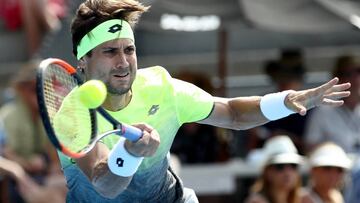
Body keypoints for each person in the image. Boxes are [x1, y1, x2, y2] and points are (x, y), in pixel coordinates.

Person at [59, 0, 351, 202]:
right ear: (83, 61)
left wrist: (286, 101)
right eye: (110, 52)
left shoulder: (161, 87)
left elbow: (234, 113)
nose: (123, 62)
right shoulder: (73, 114)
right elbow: (105, 185)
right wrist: (131, 154)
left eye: (129, 50)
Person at [0, 59, 66, 202]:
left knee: (69, 187)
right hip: (15, 181)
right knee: (55, 198)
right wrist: (27, 163)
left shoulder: (48, 115)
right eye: (33, 89)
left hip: (39, 176)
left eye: (45, 88)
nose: (40, 93)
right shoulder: (9, 116)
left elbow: (52, 151)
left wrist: (53, 167)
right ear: (21, 90)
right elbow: (6, 153)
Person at [246, 49, 309, 155]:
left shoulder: (310, 106)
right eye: (282, 77)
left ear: (299, 81)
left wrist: (286, 137)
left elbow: (311, 143)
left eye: (290, 78)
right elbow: (252, 142)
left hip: (299, 157)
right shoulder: (264, 101)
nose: (284, 82)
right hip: (265, 156)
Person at [304, 55, 360, 153]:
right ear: (337, 78)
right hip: (337, 165)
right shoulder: (324, 108)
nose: (355, 78)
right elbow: (310, 146)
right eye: (348, 74)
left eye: (358, 72)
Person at [244, 135, 306, 203]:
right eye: (280, 166)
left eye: (293, 165)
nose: (288, 172)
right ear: (267, 172)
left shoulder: (303, 199)